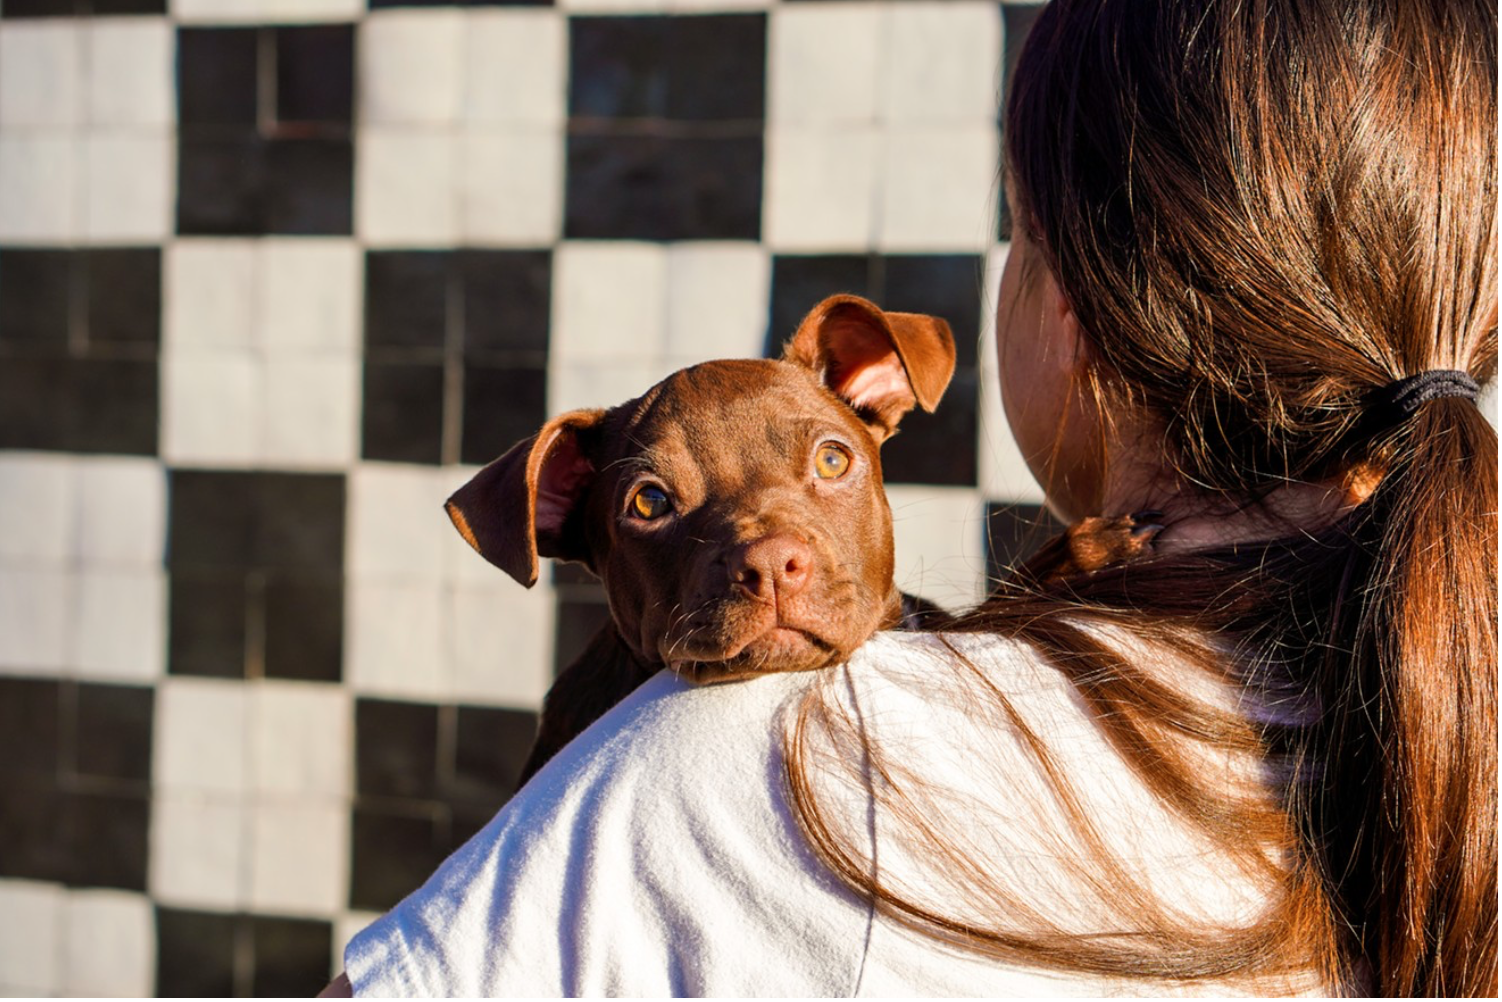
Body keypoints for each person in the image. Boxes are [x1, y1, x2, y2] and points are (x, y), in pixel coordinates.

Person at [326, 0, 1497, 995]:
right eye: (653, 505)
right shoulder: (1450, 709)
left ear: (1067, 300)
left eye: (1016, 230)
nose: (769, 549)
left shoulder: (742, 770)